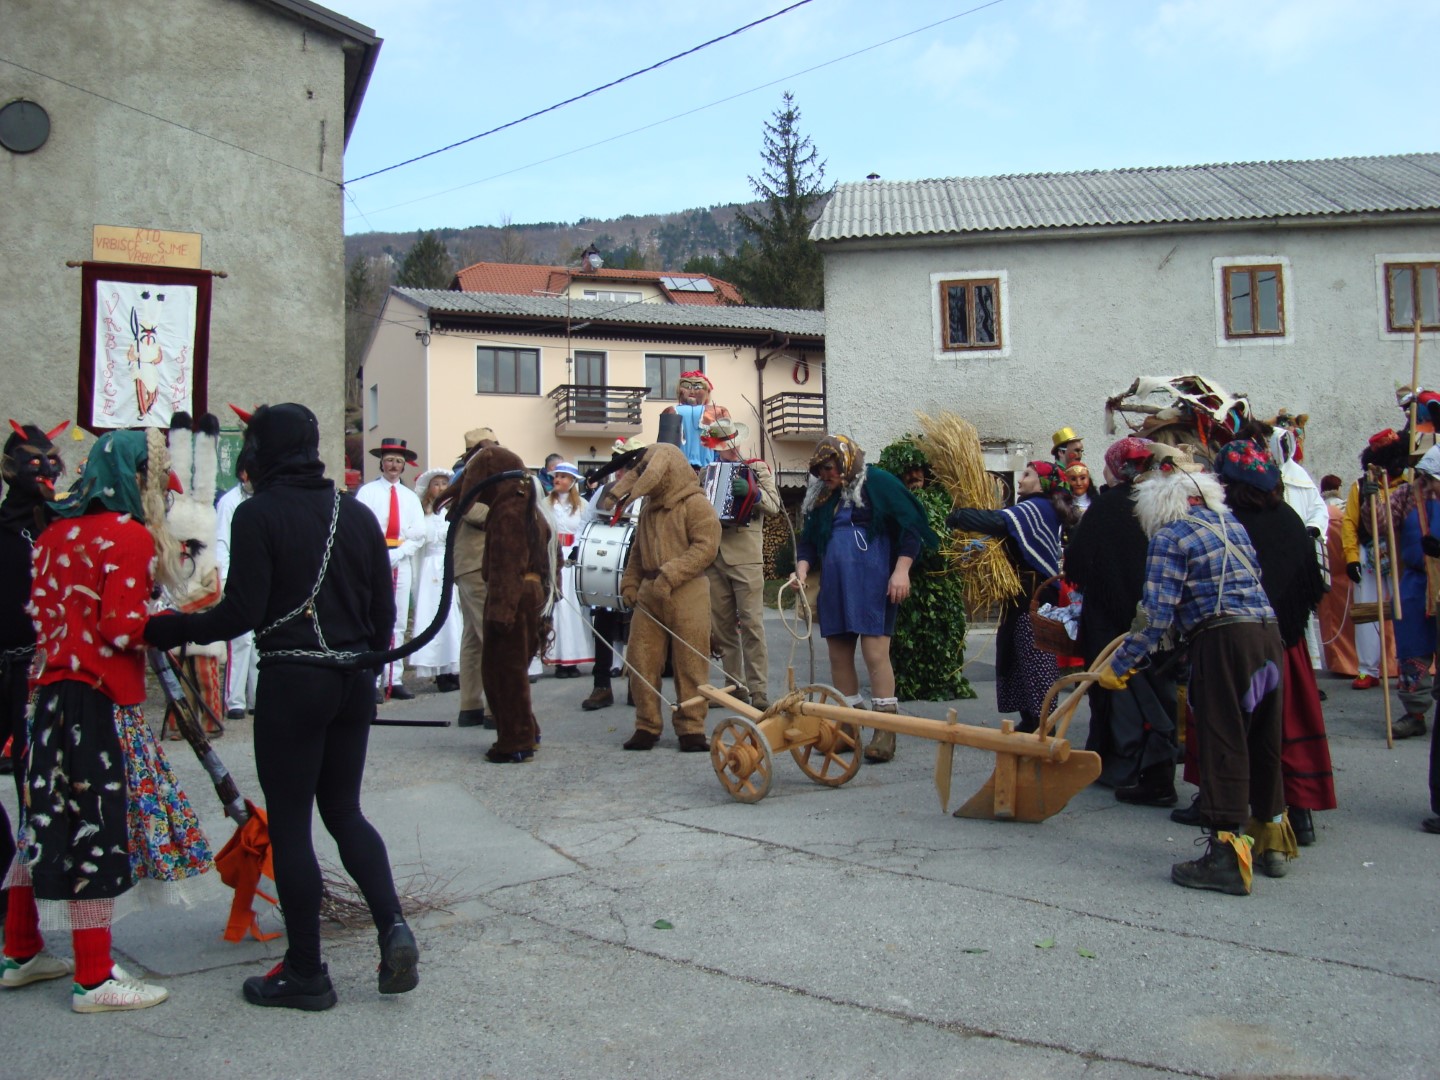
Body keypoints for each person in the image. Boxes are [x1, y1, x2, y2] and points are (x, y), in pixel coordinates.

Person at [144, 403, 418, 1010]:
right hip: (352, 679)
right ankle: (394, 926)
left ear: (263, 452)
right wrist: (364, 672)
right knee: (345, 812)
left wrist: (167, 628)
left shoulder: (257, 513)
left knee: (292, 825)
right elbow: (382, 613)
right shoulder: (356, 512)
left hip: (294, 682)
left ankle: (306, 972)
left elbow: (241, 614)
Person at [6, 428, 215, 1012]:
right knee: (96, 827)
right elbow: (121, 627)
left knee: (43, 824)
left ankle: (21, 951)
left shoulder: (52, 532)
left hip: (50, 698)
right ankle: (94, 979)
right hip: (98, 701)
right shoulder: (126, 536)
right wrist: (187, 623)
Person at [1102, 456, 1283, 896]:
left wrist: (1119, 665)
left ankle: (1224, 857)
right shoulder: (1231, 526)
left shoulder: (1171, 535)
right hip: (1268, 636)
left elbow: (1155, 614)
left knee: (1224, 739)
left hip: (1224, 641)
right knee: (1262, 738)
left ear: (1157, 504)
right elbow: (1254, 577)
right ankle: (1271, 841)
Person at [1216, 439, 1334, 871]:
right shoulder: (1288, 518)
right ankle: (1297, 814)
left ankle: (1229, 812)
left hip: (1242, 639)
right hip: (1288, 642)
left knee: (1237, 725)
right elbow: (1312, 584)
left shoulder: (1228, 524)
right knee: (1287, 724)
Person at [794, 435, 937, 762]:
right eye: (819, 471)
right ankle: (849, 726)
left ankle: (885, 730)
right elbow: (809, 542)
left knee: (875, 655)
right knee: (839, 656)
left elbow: (912, 525)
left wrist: (902, 570)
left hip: (873, 583)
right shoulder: (821, 494)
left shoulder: (877, 481)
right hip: (836, 584)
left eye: (828, 468)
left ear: (845, 460)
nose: (824, 475)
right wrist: (801, 571)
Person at [1064, 437, 1181, 800]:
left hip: (1109, 618)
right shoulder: (1165, 503)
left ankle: (1119, 763)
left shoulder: (1107, 506)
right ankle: (1158, 768)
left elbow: (1078, 561)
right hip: (1157, 614)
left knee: (1113, 684)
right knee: (1157, 687)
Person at [946, 460, 1077, 736]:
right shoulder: (1036, 507)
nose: (1020, 480)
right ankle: (1031, 718)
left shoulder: (1037, 507)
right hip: (1020, 596)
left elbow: (997, 522)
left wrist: (959, 516)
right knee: (1017, 657)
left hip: (1035, 598)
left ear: (1042, 482)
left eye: (1027, 475)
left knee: (1035, 657)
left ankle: (1044, 723)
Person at [441, 444, 553, 763]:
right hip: (530, 594)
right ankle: (526, 729)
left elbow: (507, 563)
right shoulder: (527, 504)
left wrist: (502, 612)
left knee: (502, 671)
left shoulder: (507, 511)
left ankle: (514, 740)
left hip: (512, 597)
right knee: (513, 668)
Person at [609, 443, 721, 752]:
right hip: (649, 593)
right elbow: (637, 551)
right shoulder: (647, 509)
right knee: (641, 660)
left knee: (691, 663)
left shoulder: (695, 504)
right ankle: (646, 725)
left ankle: (692, 728)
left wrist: (671, 574)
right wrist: (630, 583)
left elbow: (706, 547)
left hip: (688, 592)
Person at [0, 421, 65, 936]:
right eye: (31, 462)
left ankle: (25, 914)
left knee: (35, 787)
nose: (42, 470)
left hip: (43, 673)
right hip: (7, 664)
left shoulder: (59, 526)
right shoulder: (4, 526)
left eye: (49, 462)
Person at [701, 420, 782, 710]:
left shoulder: (756, 468)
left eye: (729, 445)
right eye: (721, 447)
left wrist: (753, 493)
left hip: (746, 556)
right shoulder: (706, 473)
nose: (727, 451)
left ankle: (758, 690)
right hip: (715, 558)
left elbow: (774, 505)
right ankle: (735, 686)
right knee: (722, 629)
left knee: (752, 625)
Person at [355, 436, 425, 701]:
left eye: (398, 461)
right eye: (389, 461)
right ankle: (371, 679)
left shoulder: (409, 497)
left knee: (396, 620)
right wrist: (380, 555)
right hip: (374, 559)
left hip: (401, 558)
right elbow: (361, 528)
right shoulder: (367, 493)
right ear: (381, 464)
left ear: (404, 465)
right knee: (373, 618)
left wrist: (399, 554)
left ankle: (393, 679)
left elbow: (418, 534)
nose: (394, 465)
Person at [579, 438, 644, 712]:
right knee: (603, 623)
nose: (621, 473)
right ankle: (601, 686)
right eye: (619, 466)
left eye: (627, 467)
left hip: (637, 562)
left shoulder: (647, 492)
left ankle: (636, 687)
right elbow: (587, 521)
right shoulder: (604, 490)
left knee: (637, 627)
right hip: (606, 564)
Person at [1342, 430, 1408, 692]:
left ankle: (1408, 665)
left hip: (1401, 554)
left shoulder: (1408, 483)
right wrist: (1351, 557)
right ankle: (1367, 669)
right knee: (1368, 610)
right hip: (1369, 554)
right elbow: (1350, 522)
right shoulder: (1360, 486)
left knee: (1406, 610)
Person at [1384, 448, 1440, 740]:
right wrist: (1373, 496)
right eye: (1425, 478)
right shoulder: (1407, 494)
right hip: (1416, 584)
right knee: (1412, 648)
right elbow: (1379, 524)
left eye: (1432, 480)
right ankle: (1415, 713)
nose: (1427, 485)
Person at [453, 427, 497, 727]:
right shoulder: (470, 474)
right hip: (477, 563)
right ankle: (497, 707)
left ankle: (470, 704)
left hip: (469, 564)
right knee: (492, 634)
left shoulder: (470, 472)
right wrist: (506, 511)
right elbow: (470, 509)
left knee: (473, 637)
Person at [408, 467, 463, 692]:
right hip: (432, 568)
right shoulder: (425, 515)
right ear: (429, 488)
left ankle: (452, 668)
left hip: (449, 565)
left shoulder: (452, 512)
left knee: (453, 618)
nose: (440, 488)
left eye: (444, 484)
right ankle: (439, 670)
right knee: (434, 614)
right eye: (436, 484)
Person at [216, 453, 259, 719]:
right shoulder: (229, 502)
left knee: (258, 642)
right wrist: (225, 580)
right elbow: (222, 543)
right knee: (241, 640)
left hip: (261, 578)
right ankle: (235, 700)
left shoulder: (261, 500)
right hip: (238, 578)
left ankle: (257, 697)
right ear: (244, 474)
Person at [544, 462, 594, 678]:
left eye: (563, 477)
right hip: (552, 557)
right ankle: (555, 659)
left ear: (572, 482)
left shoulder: (583, 505)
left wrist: (577, 551)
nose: (558, 480)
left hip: (572, 559)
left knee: (574, 608)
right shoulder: (544, 505)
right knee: (556, 609)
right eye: (556, 476)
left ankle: (573, 659)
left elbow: (586, 530)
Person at [661, 370, 731, 468]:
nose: (692, 391)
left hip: (687, 468)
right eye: (687, 387)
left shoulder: (717, 411)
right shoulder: (718, 411)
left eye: (697, 387)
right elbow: (728, 448)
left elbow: (663, 448)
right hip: (703, 468)